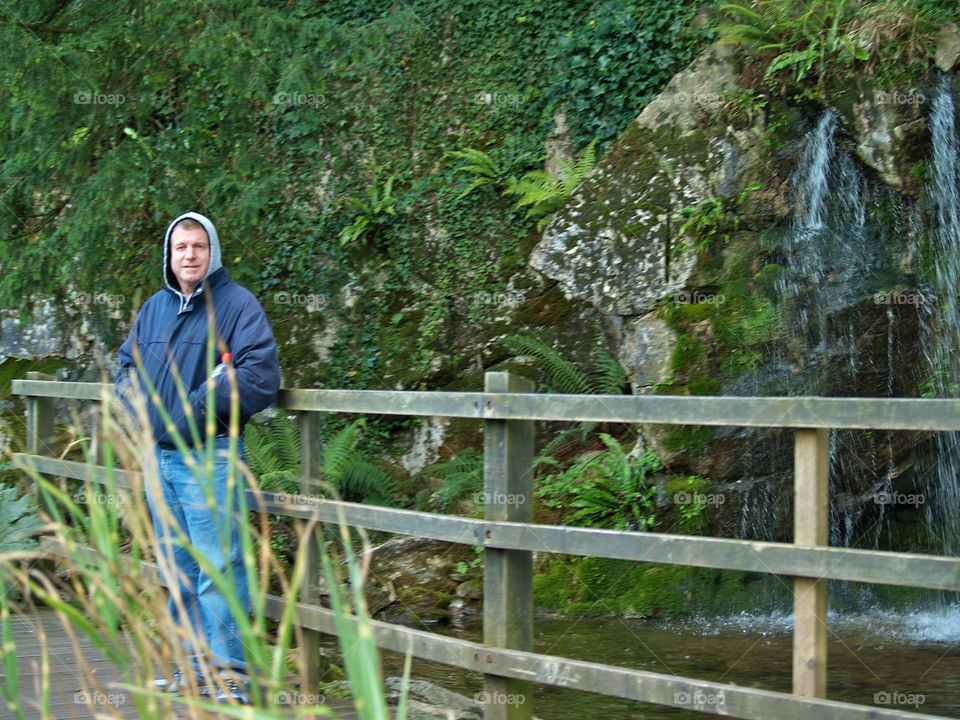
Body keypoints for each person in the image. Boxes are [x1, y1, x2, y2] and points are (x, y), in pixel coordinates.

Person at [116, 211, 280, 704]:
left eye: (198, 247)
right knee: (177, 570)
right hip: (158, 460)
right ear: (170, 255)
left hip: (211, 456)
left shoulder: (237, 305)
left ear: (213, 253)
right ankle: (192, 671)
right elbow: (126, 368)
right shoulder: (154, 308)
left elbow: (260, 377)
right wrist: (140, 407)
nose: (189, 255)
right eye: (181, 247)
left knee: (219, 570)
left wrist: (192, 410)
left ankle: (231, 678)